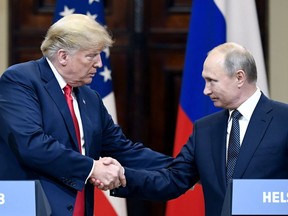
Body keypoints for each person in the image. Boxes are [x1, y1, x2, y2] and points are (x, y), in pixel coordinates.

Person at [0, 14, 172, 216]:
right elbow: (31, 144)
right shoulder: (21, 80)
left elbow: (122, 149)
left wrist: (182, 167)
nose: (99, 63)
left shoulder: (90, 98)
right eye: (91, 55)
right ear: (63, 56)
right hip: (28, 207)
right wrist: (92, 168)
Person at [111, 42, 288, 216]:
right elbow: (173, 180)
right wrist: (120, 177)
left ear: (239, 77)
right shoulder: (205, 129)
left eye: (212, 81)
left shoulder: (284, 119)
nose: (206, 90)